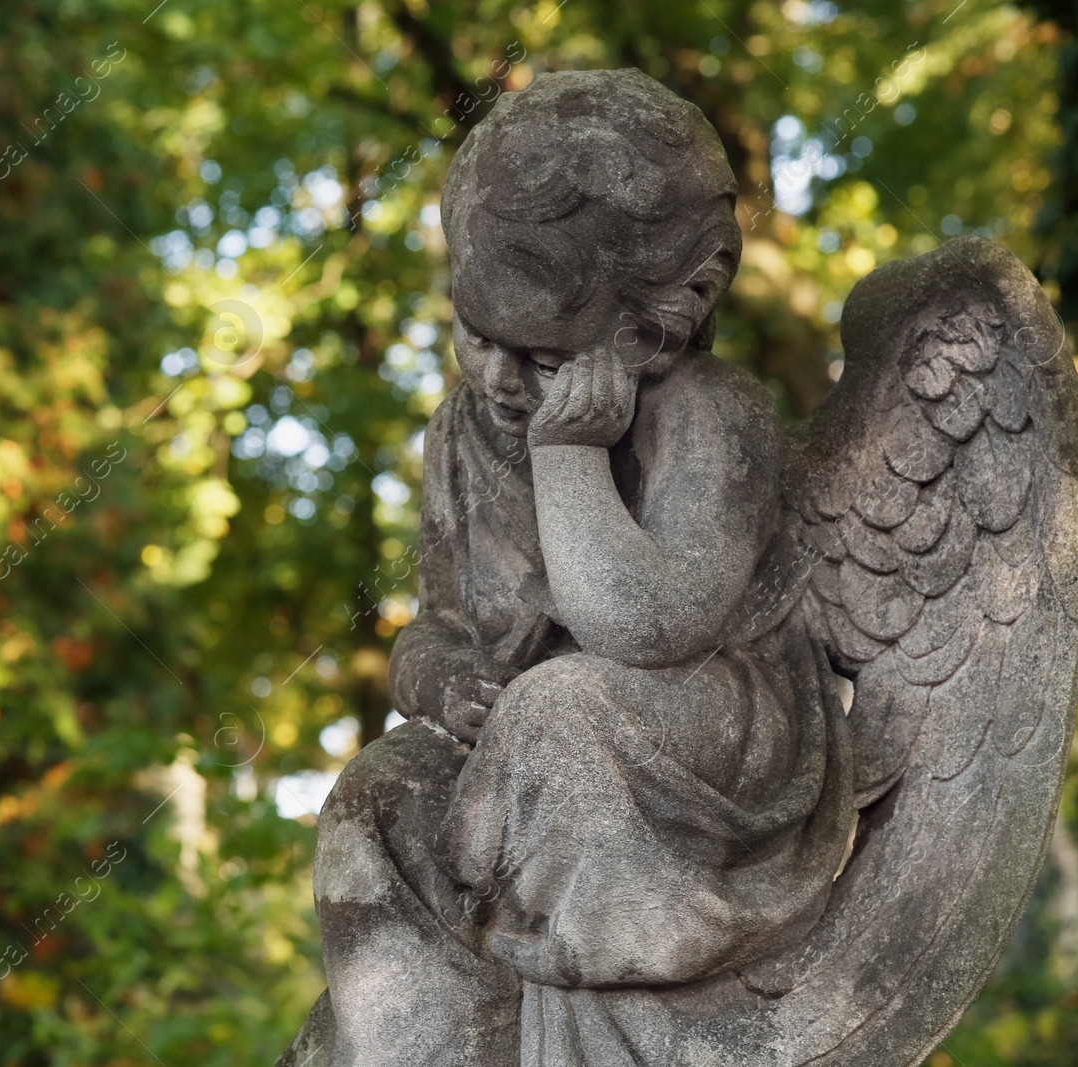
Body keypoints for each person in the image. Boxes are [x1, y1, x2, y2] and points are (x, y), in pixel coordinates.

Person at [312, 69, 853, 1066]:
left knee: (562, 709)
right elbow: (437, 625)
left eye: (546, 356)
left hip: (705, 728)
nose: (503, 380)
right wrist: (443, 678)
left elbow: (647, 626)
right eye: (478, 337)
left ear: (659, 323)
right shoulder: (462, 436)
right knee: (376, 790)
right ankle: (430, 1046)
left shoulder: (708, 412)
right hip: (528, 737)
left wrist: (569, 457)